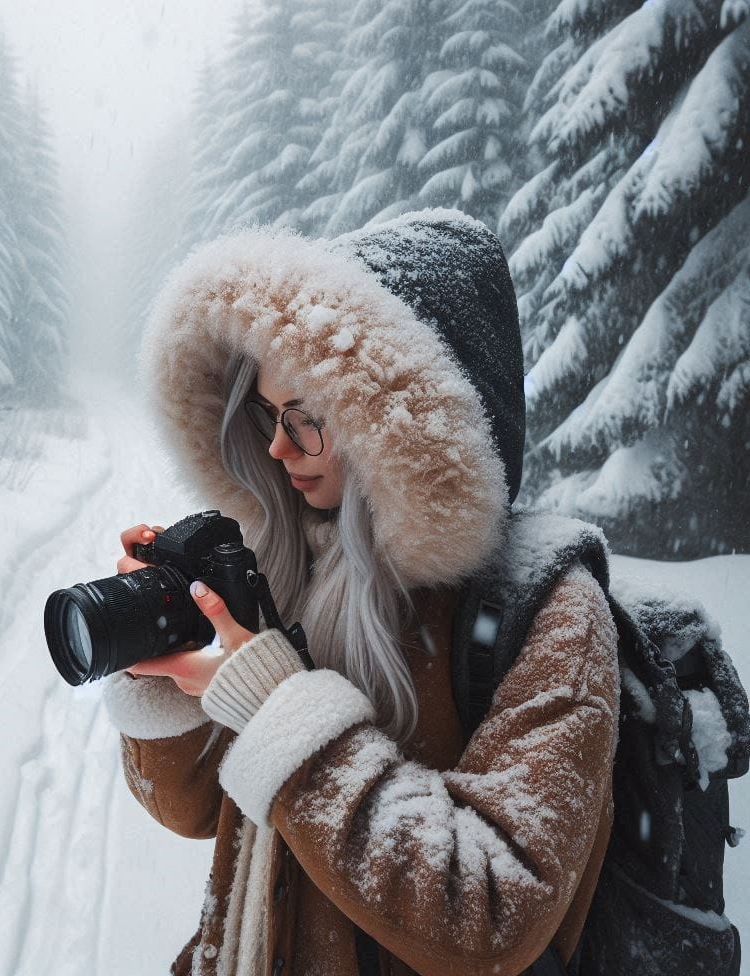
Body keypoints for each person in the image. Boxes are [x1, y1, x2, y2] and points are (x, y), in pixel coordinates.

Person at [102, 209, 620, 976]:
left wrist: (280, 710)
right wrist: (164, 676)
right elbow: (200, 810)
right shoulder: (293, 564)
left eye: (307, 417)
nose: (276, 449)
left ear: (399, 425)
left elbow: (492, 910)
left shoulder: (552, 615)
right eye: (267, 415)